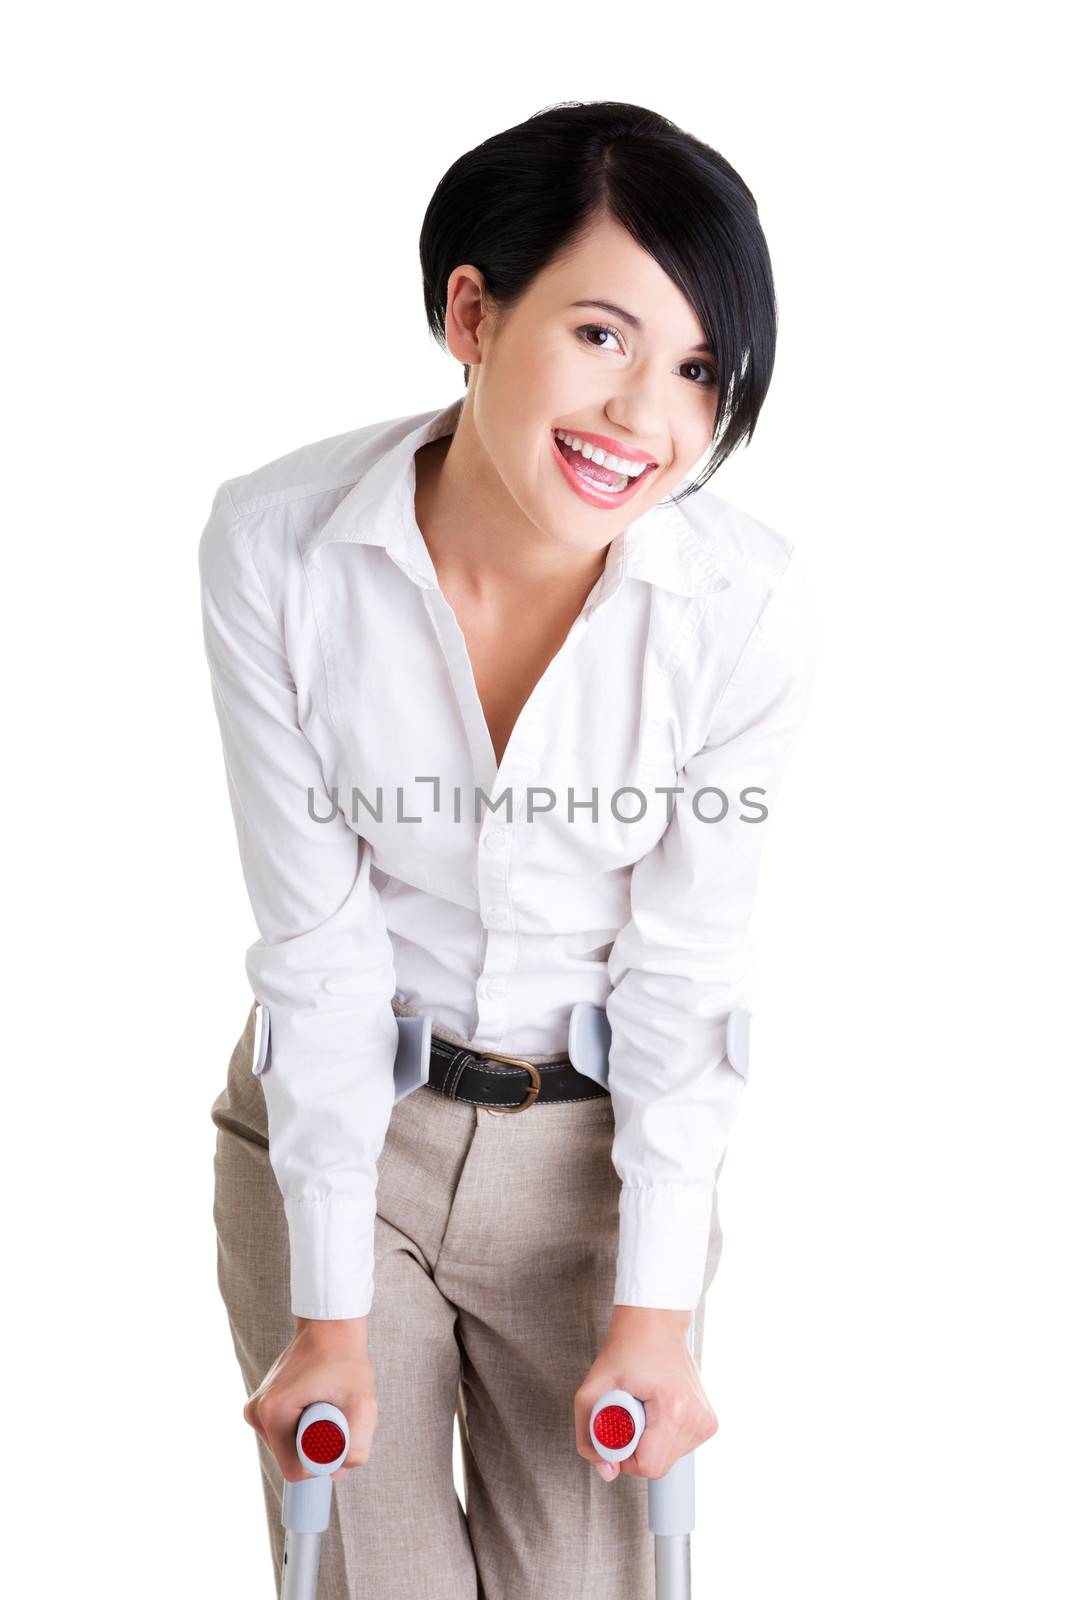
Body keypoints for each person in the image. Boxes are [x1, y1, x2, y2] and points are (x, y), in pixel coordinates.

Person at [200, 99, 816, 1599]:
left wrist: (656, 1310)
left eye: (694, 371)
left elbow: (683, 973)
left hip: (597, 1164)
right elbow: (319, 951)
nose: (644, 421)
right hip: (345, 1128)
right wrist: (330, 1314)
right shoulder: (275, 549)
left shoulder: (738, 607)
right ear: (473, 312)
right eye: (602, 337)